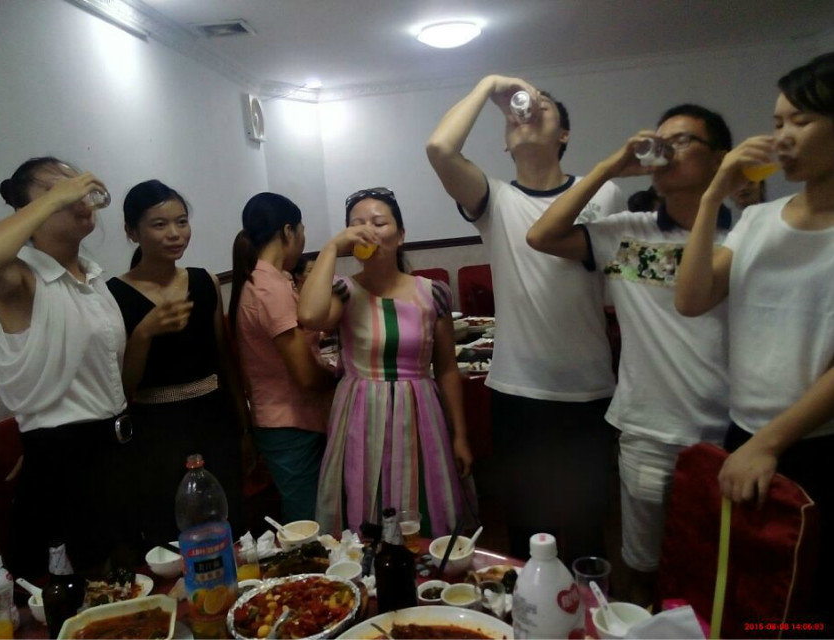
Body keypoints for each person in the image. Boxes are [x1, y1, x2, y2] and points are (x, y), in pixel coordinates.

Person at [527, 104, 734, 605]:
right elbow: (541, 235)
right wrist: (609, 167)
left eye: (682, 141)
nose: (666, 152)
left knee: (719, 571)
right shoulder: (626, 233)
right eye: (661, 141)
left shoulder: (747, 234)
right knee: (641, 569)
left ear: (719, 159)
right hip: (648, 431)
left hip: (729, 433)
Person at [426, 75, 624, 560]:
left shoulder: (604, 194)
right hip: (517, 393)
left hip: (589, 390)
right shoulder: (495, 199)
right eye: (517, 113)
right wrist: (488, 86)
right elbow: (440, 149)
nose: (528, 112)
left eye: (545, 108)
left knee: (586, 534)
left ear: (564, 135)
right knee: (528, 537)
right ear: (505, 142)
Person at [676, 53, 834, 626]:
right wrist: (713, 195)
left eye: (801, 121)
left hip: (814, 443)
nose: (782, 137)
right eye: (776, 123)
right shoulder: (758, 222)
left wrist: (770, 443)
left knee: (808, 600)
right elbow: (692, 298)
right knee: (744, 590)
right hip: (742, 432)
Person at [0, 157, 137, 576]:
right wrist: (43, 441)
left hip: (114, 452)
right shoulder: (22, 277)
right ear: (28, 212)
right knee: (84, 595)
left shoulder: (92, 276)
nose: (78, 196)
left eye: (78, 186)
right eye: (58, 190)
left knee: (134, 585)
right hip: (64, 466)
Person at [298, 187, 474, 537]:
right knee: (365, 506)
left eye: (379, 223)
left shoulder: (433, 292)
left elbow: (447, 369)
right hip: (360, 413)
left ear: (401, 234)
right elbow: (309, 316)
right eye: (357, 224)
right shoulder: (344, 291)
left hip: (420, 413)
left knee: (425, 507)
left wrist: (460, 435)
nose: (368, 231)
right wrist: (331, 248)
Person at [106, 180, 245, 547]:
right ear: (132, 231)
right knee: (171, 537)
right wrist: (144, 333)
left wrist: (244, 424)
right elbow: (121, 388)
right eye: (159, 224)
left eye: (181, 222)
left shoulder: (204, 281)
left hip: (214, 420)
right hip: (156, 432)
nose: (175, 233)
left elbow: (224, 360)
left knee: (229, 525)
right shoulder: (112, 295)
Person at [229, 192, 333, 523]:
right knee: (309, 521)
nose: (303, 239)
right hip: (289, 421)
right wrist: (342, 378)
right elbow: (305, 374)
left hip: (290, 417)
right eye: (302, 230)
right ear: (288, 231)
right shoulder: (269, 288)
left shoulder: (267, 279)